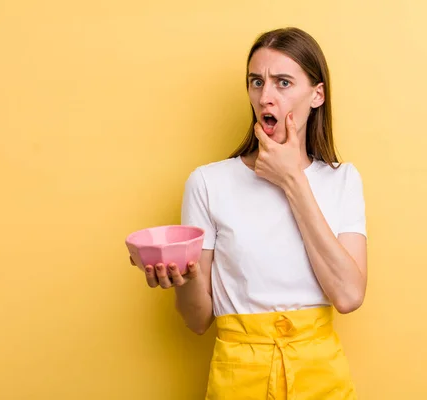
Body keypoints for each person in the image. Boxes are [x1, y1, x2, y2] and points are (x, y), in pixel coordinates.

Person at [134, 27, 367, 399]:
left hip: (321, 378)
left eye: (283, 82)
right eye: (256, 82)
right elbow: (196, 320)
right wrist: (182, 279)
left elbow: (349, 295)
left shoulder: (343, 181)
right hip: (238, 378)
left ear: (317, 95)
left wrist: (292, 180)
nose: (265, 97)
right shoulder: (208, 183)